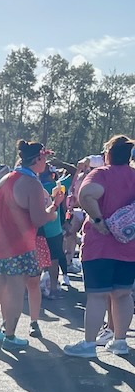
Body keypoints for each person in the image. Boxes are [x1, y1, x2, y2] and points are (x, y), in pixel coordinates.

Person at [64, 133, 135, 357]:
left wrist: (97, 219)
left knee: (97, 296)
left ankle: (88, 344)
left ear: (108, 154)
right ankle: (120, 341)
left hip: (100, 246)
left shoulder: (101, 174)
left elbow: (86, 194)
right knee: (123, 294)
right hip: (129, 246)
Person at [0, 141, 55, 350]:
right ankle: (10, 337)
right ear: (38, 159)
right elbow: (39, 219)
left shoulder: (5, 178)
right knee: (15, 289)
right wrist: (54, 208)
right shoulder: (32, 184)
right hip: (16, 245)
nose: (46, 163)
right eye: (45, 158)